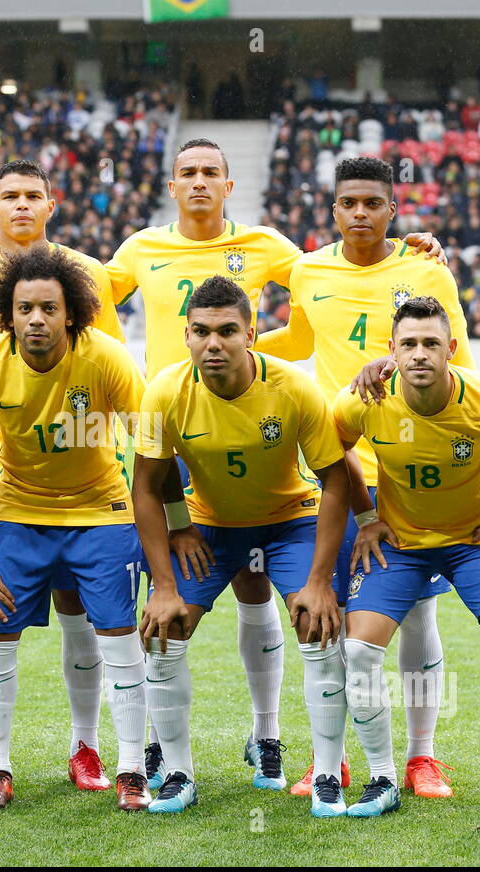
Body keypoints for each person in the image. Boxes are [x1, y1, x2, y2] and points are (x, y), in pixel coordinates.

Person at [256, 155, 474, 799]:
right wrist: (238, 347)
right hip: (335, 471)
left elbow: (458, 355)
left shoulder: (425, 269)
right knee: (332, 621)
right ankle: (334, 759)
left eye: (371, 204)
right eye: (348, 203)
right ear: (333, 210)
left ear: (392, 210)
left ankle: (422, 757)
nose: (359, 214)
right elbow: (298, 340)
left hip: (412, 474)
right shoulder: (308, 268)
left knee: (417, 619)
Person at [0, 159, 126, 792]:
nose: (21, 205)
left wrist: (89, 449)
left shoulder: (87, 278)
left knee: (82, 612)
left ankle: (87, 747)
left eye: (32, 195)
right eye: (8, 195)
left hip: (85, 486)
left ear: (51, 203)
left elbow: (111, 380)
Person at [133, 276, 355, 816]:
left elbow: (335, 480)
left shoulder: (293, 387)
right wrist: (165, 583)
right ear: (185, 335)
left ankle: (327, 772)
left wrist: (321, 580)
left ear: (250, 334)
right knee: (164, 627)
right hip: (211, 527)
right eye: (201, 332)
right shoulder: (165, 391)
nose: (214, 344)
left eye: (227, 331)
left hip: (288, 522)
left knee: (318, 622)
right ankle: (179, 771)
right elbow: (144, 486)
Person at [332, 296, 480, 820]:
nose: (420, 354)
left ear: (452, 349)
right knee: (359, 651)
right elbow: (334, 446)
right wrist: (366, 517)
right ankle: (382, 777)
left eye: (432, 343)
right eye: (408, 343)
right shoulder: (365, 398)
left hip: (473, 541)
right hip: (401, 545)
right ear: (391, 351)